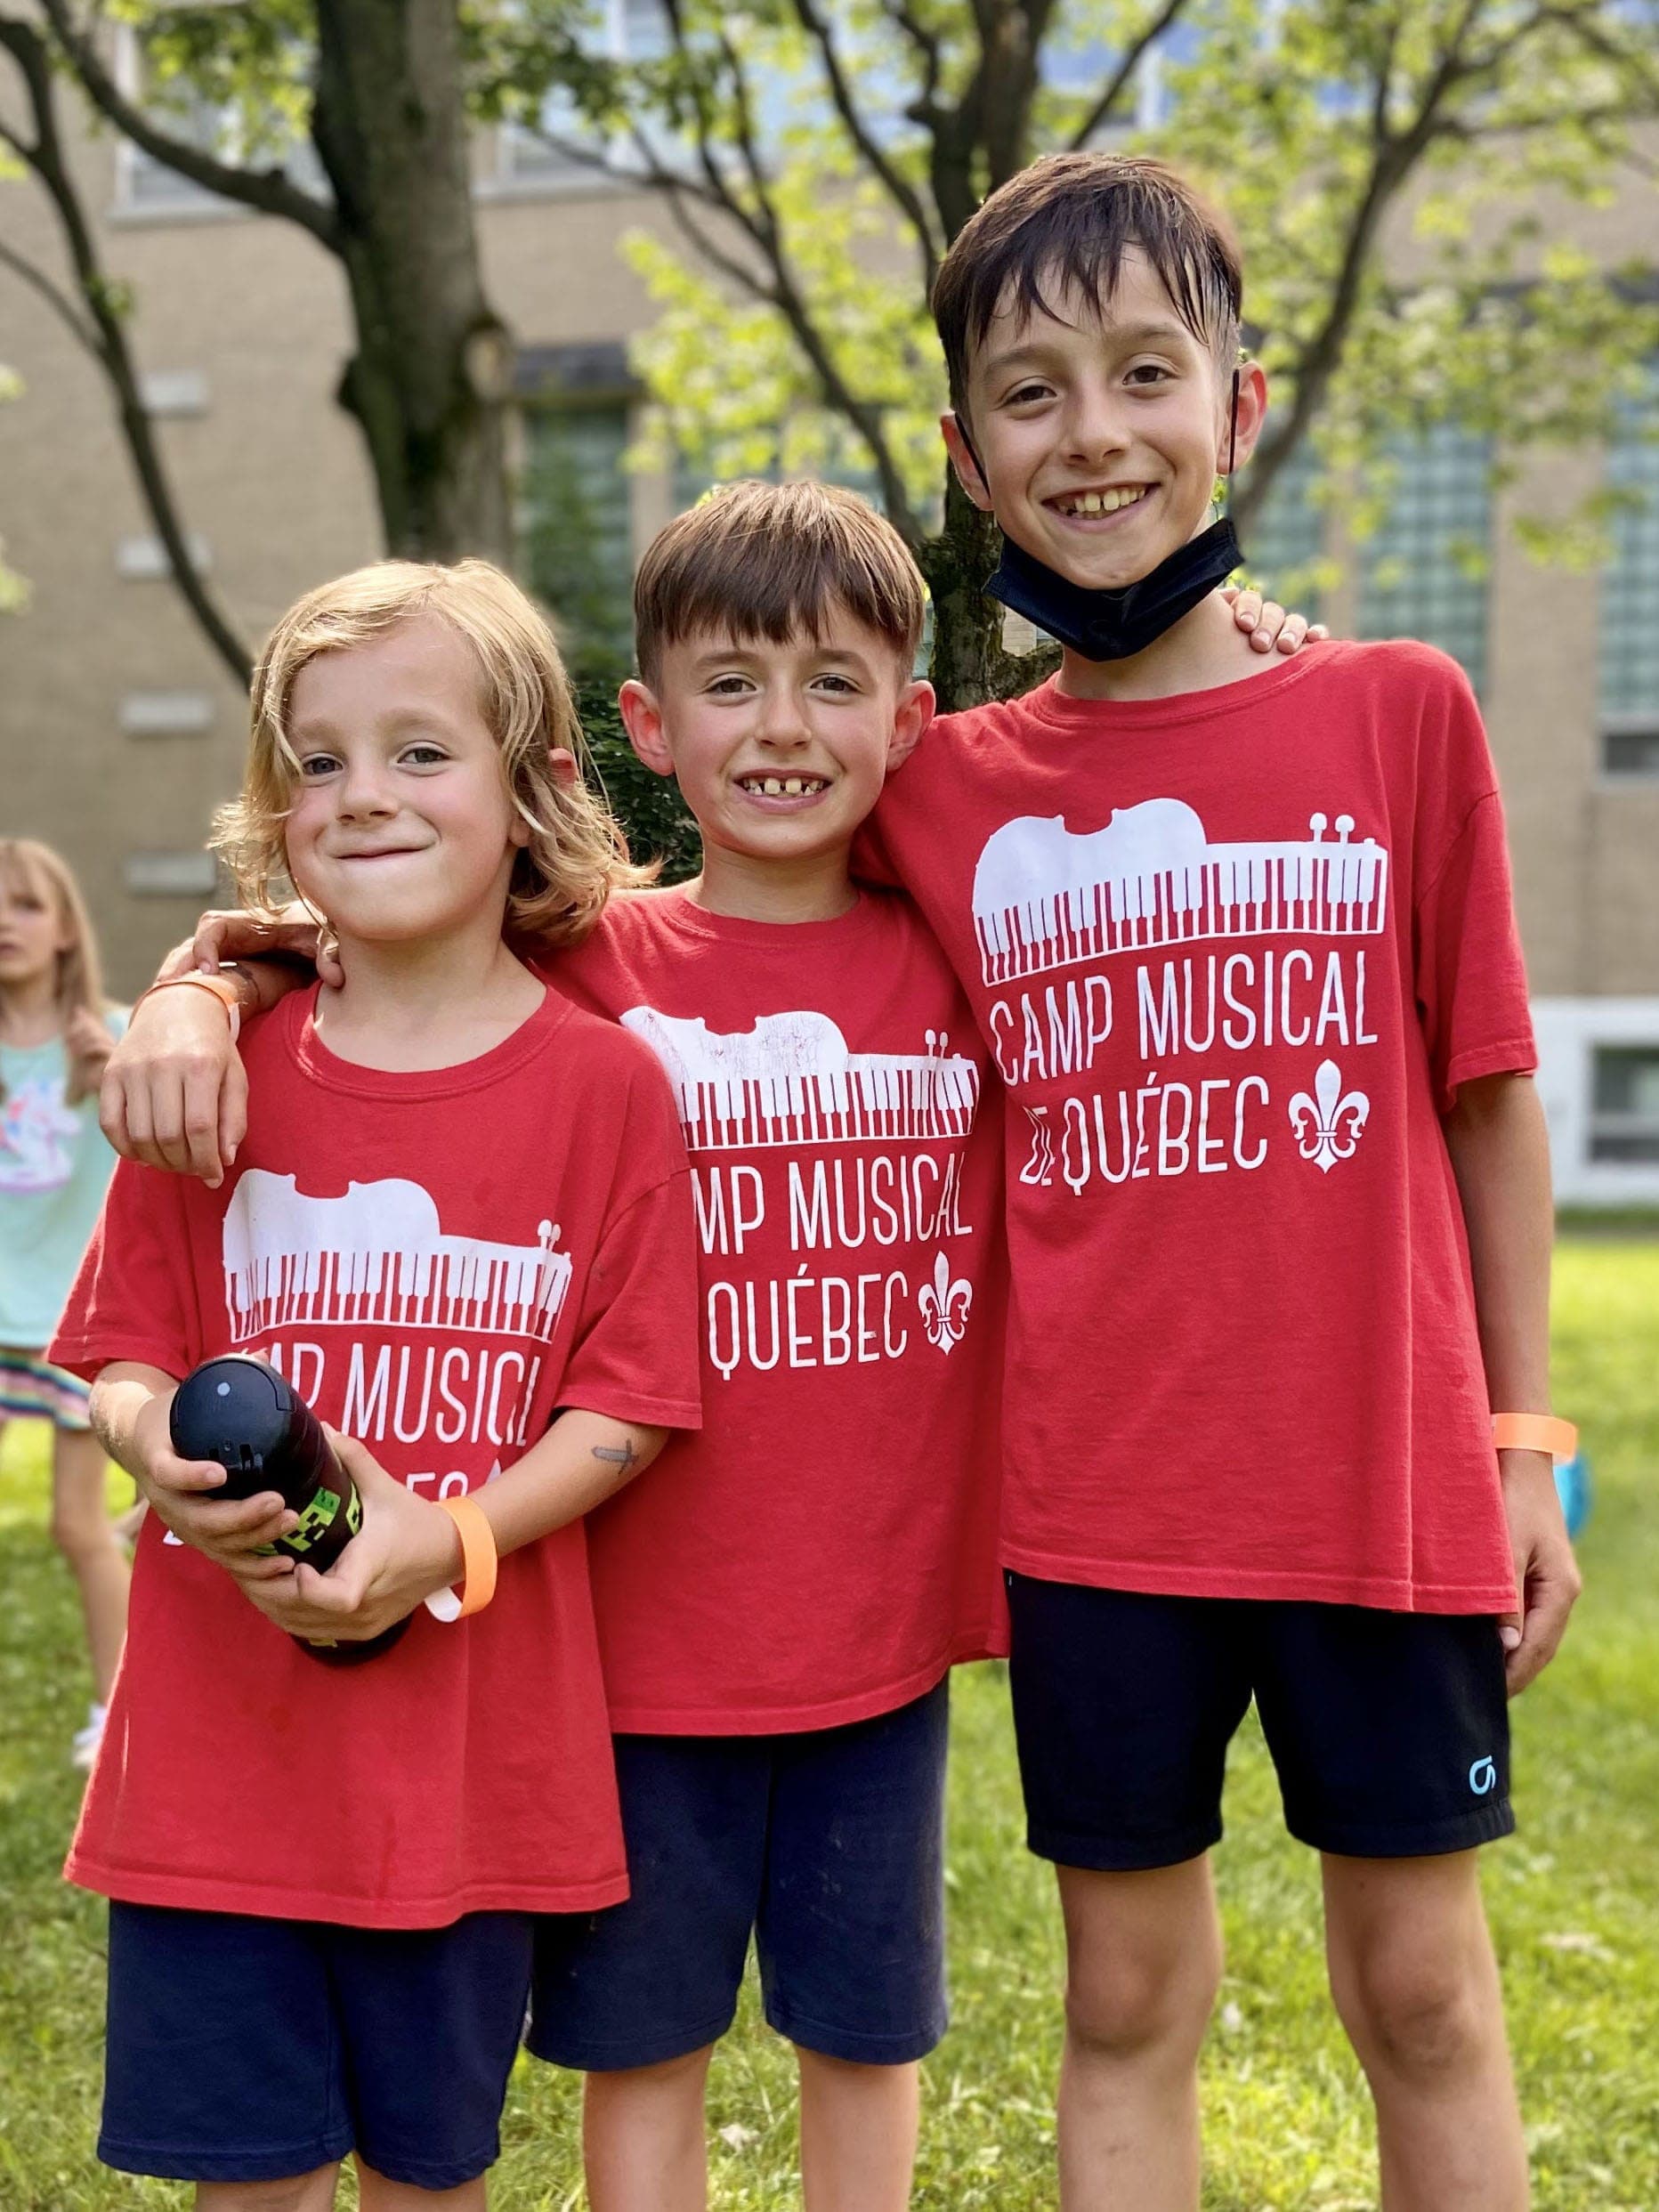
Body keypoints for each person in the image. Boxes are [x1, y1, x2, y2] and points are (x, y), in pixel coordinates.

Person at [853, 153, 1579, 2210]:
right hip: (1101, 1509)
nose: (1093, 431)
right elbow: (635, 918)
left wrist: (1525, 1439)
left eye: (1143, 372)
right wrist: (223, 964)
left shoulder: (1397, 713)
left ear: (1236, 406)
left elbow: (1488, 1100)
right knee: (1120, 2005)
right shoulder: (934, 791)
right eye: (1032, 389)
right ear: (966, 458)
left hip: (1382, 1484)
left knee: (1423, 1994)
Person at [47, 558, 702, 2212]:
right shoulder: (215, 1078)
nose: (365, 796)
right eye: (319, 762)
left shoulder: (606, 1089)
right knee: (247, 2186)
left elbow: (625, 1409)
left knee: (432, 2180)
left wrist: (448, 1544)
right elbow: (124, 1353)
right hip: (218, 1765)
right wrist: (155, 1456)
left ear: (532, 787)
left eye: (421, 752)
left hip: (464, 1775)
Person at [0, 837, 132, 1767]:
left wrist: (113, 1072)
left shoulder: (117, 1040)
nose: (6, 921)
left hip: (66, 1329)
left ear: (63, 928)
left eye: (27, 903)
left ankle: (118, 1707)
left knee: (79, 1524)